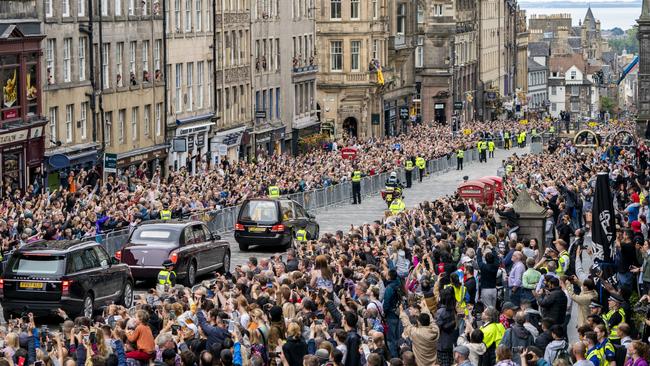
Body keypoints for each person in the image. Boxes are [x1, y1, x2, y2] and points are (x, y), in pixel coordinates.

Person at [399, 301, 439, 366]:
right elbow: (432, 321)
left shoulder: (416, 333)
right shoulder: (435, 330)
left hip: (421, 363)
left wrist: (401, 312)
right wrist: (424, 308)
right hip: (434, 362)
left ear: (419, 322)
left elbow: (407, 324)